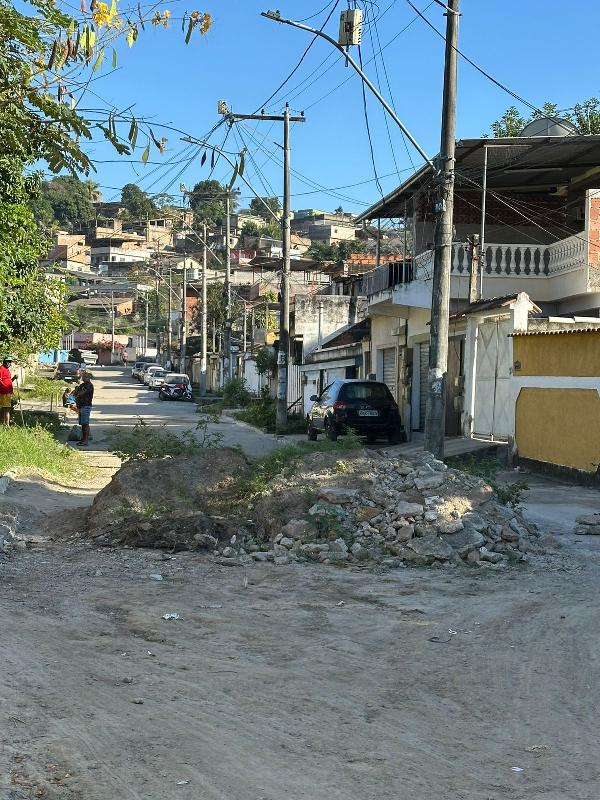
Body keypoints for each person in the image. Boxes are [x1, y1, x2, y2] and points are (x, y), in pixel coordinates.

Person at [73, 371, 94, 446]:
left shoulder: (89, 385)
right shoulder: (82, 385)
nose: (84, 378)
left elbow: (80, 393)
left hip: (86, 406)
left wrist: (78, 393)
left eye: (86, 377)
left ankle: (85, 440)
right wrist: (77, 393)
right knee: (82, 423)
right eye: (83, 376)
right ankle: (83, 439)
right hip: (81, 406)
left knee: (85, 423)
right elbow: (75, 393)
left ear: (89, 378)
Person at [0, 355, 17, 426]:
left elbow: (8, 381)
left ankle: (4, 423)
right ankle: (6, 425)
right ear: (4, 362)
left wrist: (14, 378)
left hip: (8, 392)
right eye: (8, 361)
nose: (9, 363)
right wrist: (4, 386)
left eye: (10, 362)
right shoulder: (1, 369)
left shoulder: (7, 370)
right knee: (7, 409)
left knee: (5, 408)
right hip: (4, 392)